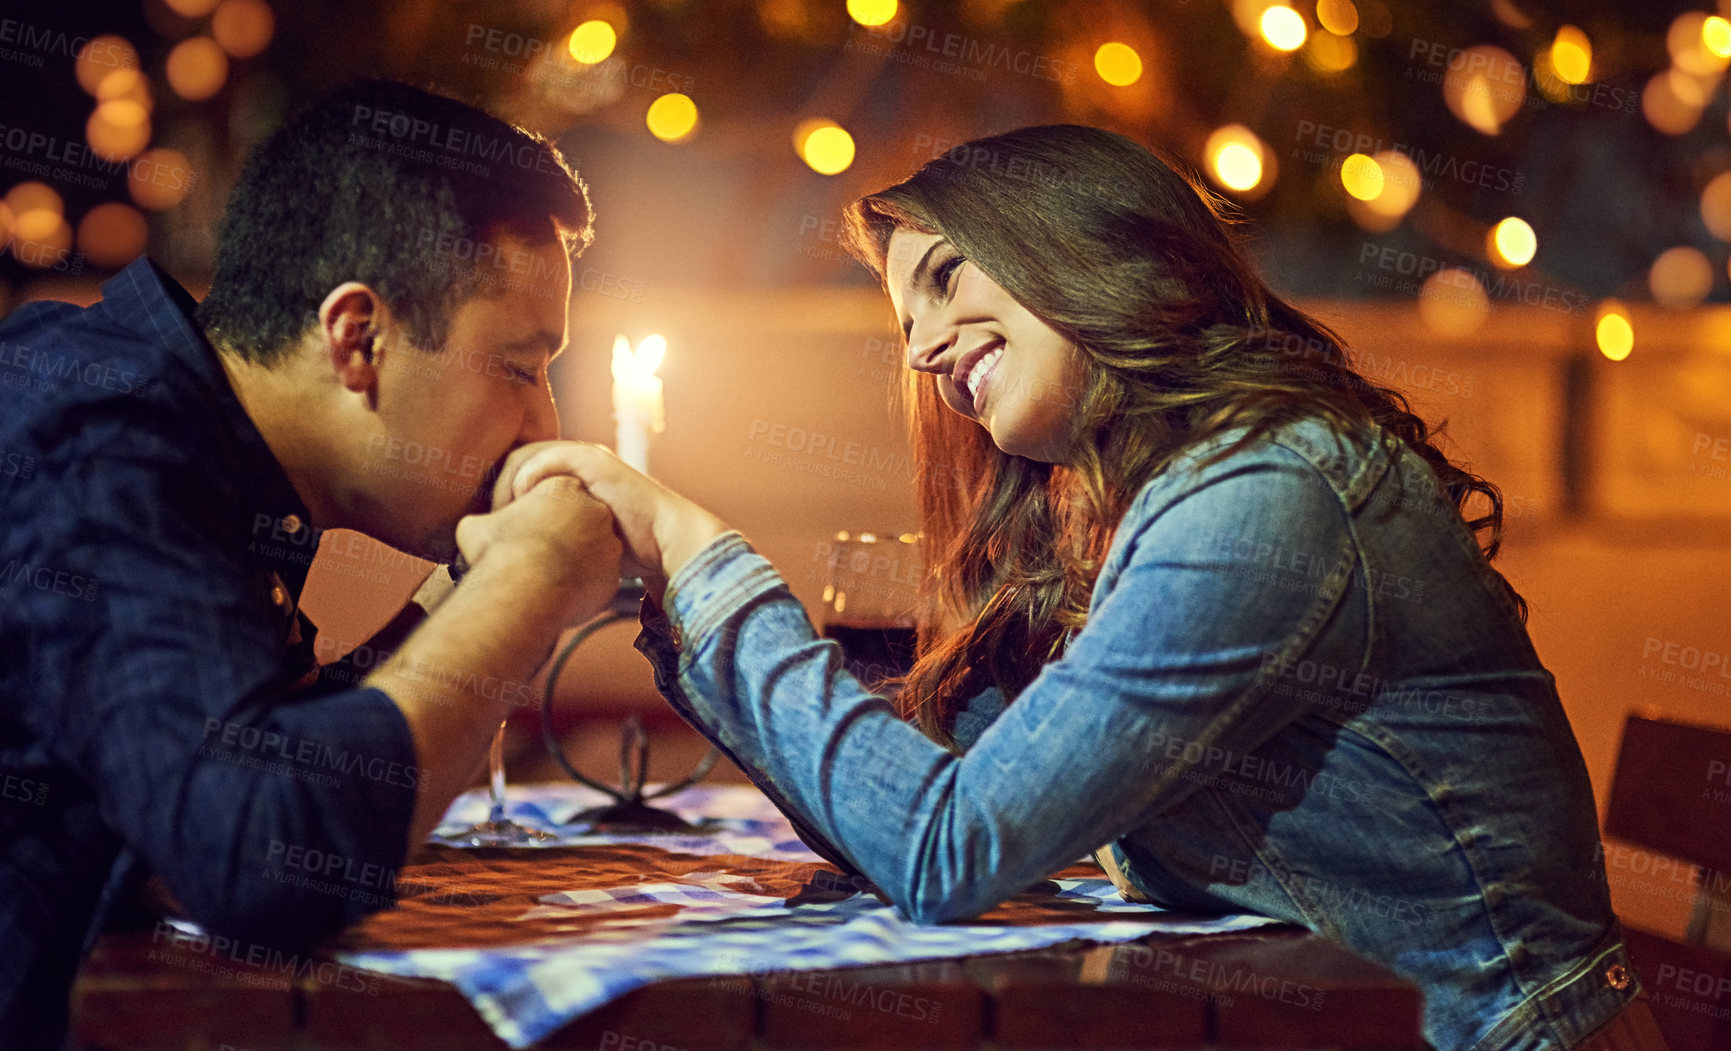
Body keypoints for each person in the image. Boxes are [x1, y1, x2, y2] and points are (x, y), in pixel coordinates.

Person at [499, 125, 1667, 1051]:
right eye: (907, 321)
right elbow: (904, 807)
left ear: (1089, 249)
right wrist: (671, 599)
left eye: (949, 280)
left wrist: (704, 556)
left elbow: (944, 849)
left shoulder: (1265, 497)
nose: (919, 349)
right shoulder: (1140, 506)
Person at [0, 80, 621, 1047]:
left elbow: (256, 756)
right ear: (358, 336)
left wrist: (465, 596)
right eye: (518, 366)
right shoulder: (96, 435)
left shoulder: (172, 428)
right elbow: (266, 855)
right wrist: (528, 579)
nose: (545, 422)